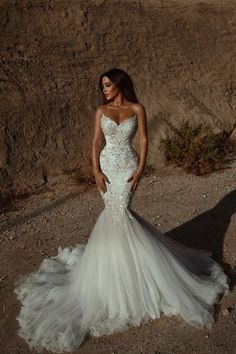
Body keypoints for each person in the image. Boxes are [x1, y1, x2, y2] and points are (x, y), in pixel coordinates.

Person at [14, 68, 230, 353]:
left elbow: (142, 140)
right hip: (107, 166)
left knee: (122, 213)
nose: (104, 89)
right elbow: (95, 143)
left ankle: (133, 276)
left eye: (107, 84)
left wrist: (141, 169)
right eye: (102, 85)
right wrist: (96, 172)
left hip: (128, 167)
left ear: (119, 84)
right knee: (115, 216)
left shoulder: (137, 108)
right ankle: (115, 275)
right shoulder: (100, 110)